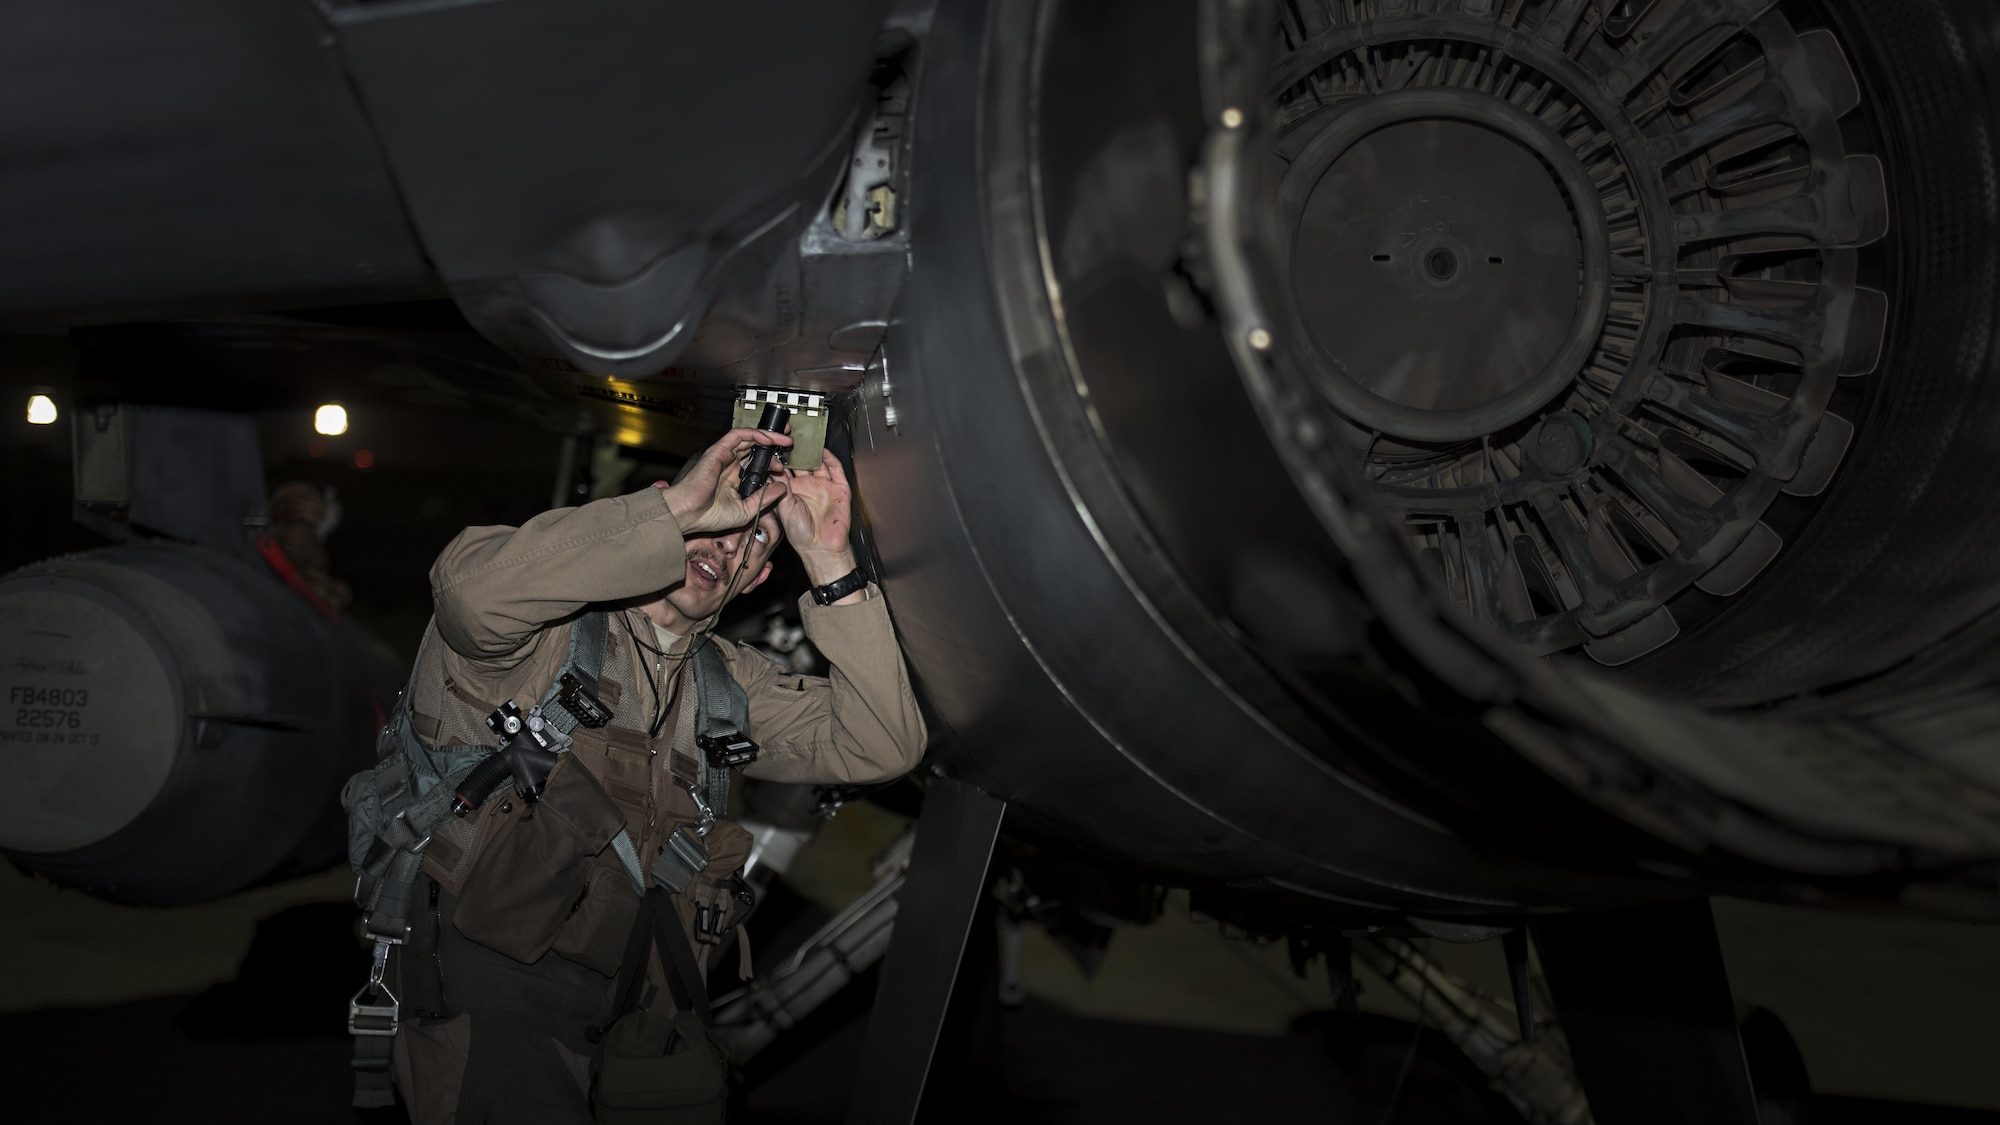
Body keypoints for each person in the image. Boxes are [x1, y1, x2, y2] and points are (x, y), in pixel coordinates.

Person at [382, 426, 926, 1124]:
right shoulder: (535, 634)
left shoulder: (726, 685)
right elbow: (464, 593)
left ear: (757, 578)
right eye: (724, 516)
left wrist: (828, 558)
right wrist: (673, 517)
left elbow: (885, 742)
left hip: (642, 1023)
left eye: (755, 540)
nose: (729, 543)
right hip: (497, 1014)